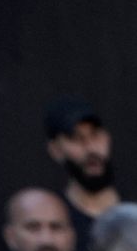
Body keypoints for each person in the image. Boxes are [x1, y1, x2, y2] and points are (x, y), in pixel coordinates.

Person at [42, 96, 121, 224]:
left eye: (95, 135)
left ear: (107, 138)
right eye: (76, 138)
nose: (91, 148)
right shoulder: (52, 224)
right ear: (55, 150)